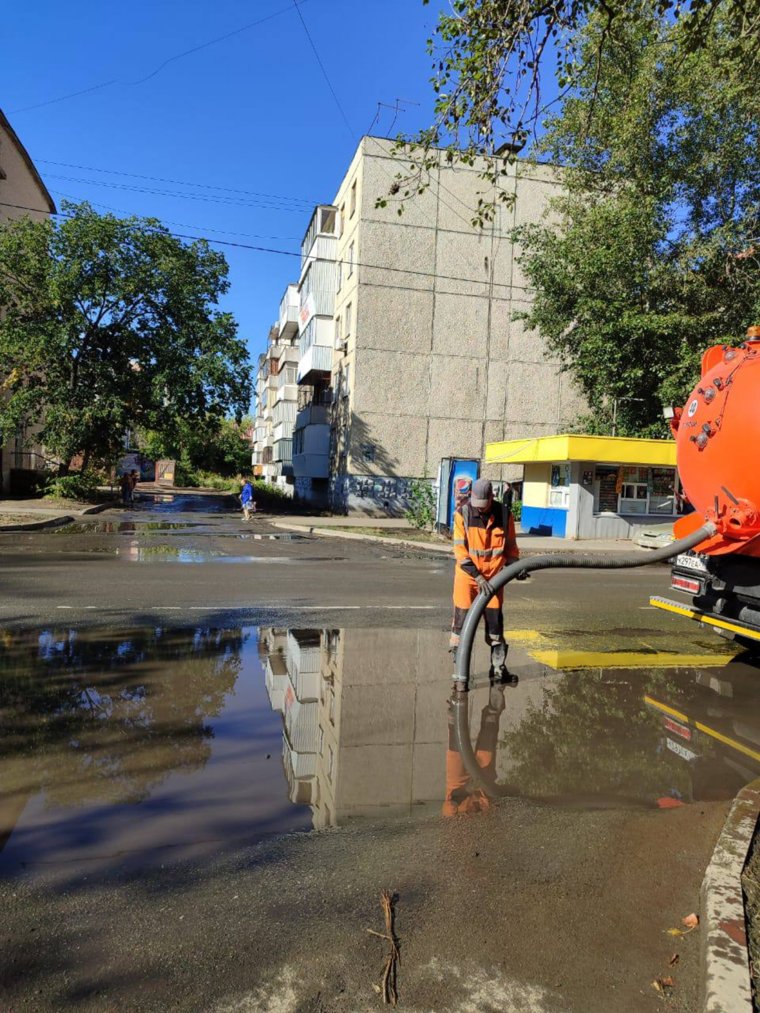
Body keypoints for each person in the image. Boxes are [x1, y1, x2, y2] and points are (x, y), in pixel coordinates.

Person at [450, 477, 519, 682]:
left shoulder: (505, 515)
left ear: (492, 497)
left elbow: (511, 548)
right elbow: (461, 553)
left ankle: (498, 669)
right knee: (461, 625)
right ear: (471, 497)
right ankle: (459, 673)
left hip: (494, 579)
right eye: (476, 504)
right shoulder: (462, 514)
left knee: (495, 624)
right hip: (468, 578)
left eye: (484, 504)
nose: (480, 509)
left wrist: (516, 566)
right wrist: (478, 578)